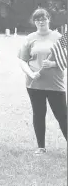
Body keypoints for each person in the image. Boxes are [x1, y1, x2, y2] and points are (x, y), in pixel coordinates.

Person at [18, 8, 67, 155]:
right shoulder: (30, 38)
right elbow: (22, 60)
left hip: (55, 84)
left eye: (44, 18)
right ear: (34, 22)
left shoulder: (58, 37)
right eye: (38, 19)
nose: (41, 21)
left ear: (49, 19)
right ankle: (41, 147)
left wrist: (53, 64)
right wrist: (31, 74)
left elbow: (65, 58)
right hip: (34, 84)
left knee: (63, 116)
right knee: (38, 114)